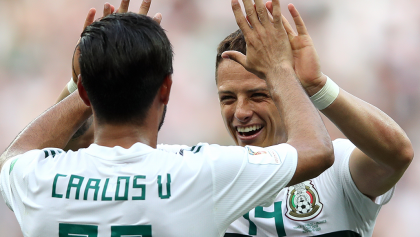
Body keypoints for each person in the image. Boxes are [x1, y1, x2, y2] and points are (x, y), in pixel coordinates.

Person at [0, 1, 334, 237]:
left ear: (87, 93)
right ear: (166, 89)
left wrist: (92, 76)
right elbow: (316, 149)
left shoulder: (37, 178)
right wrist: (279, 67)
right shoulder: (200, 174)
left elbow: (11, 158)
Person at [215, 2, 413, 237]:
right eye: (227, 98)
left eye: (258, 95)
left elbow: (397, 155)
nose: (240, 112)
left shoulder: (336, 167)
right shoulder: (211, 177)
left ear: (290, 91)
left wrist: (317, 86)